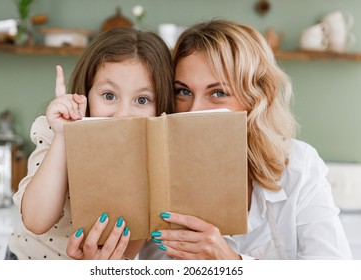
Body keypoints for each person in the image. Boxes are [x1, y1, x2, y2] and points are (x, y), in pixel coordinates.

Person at [136, 19, 353, 260]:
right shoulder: (152, 172)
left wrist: (232, 264)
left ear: (254, 100)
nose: (194, 110)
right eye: (183, 91)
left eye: (218, 93)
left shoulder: (299, 167)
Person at [6, 27, 174, 260]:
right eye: (109, 95)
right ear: (86, 93)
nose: (123, 114)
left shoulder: (153, 158)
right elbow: (35, 220)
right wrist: (64, 137)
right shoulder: (56, 131)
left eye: (142, 99)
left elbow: (129, 247)